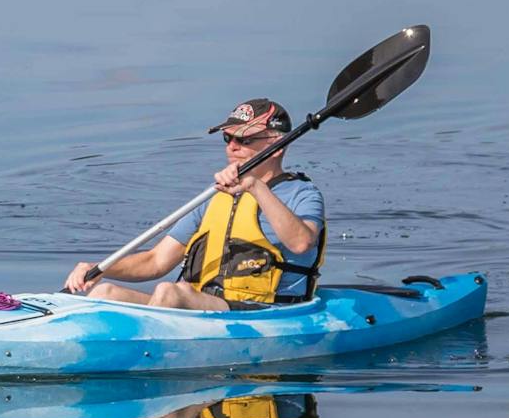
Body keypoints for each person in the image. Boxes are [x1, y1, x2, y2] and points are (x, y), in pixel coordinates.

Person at [63, 97, 324, 309]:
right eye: (227, 138)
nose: (231, 147)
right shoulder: (213, 197)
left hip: (263, 311)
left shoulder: (301, 193)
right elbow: (155, 262)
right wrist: (101, 268)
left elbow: (301, 242)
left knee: (170, 293)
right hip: (202, 305)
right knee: (105, 293)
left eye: (244, 140)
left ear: (276, 147)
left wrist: (255, 187)